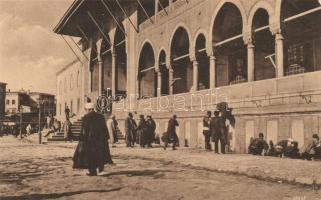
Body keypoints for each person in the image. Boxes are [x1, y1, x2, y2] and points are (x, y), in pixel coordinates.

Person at [73, 102, 113, 176]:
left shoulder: (86, 117)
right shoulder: (101, 116)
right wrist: (106, 138)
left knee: (90, 156)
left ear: (89, 109)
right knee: (100, 154)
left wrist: (81, 139)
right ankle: (100, 169)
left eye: (86, 109)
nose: (86, 111)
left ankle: (93, 171)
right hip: (100, 140)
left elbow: (84, 130)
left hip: (90, 141)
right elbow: (104, 128)